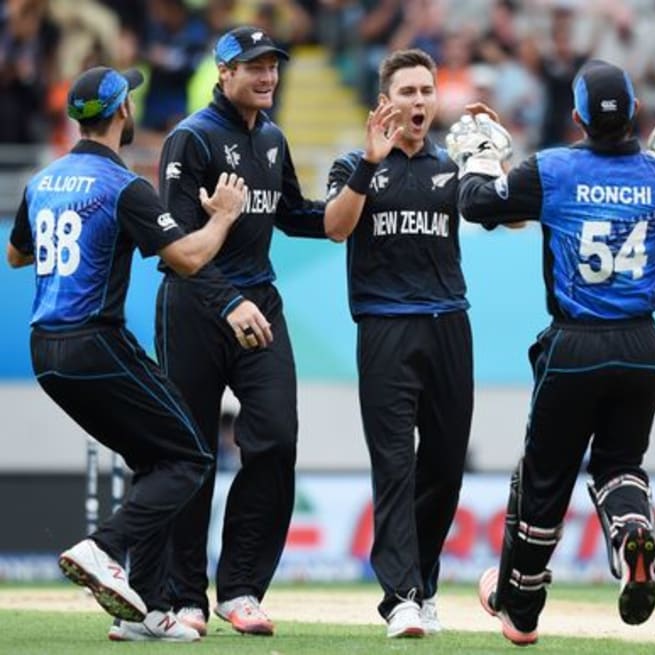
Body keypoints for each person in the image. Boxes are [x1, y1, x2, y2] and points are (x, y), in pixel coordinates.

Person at [454, 60, 655, 646]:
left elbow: (475, 204)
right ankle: (632, 537)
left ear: (575, 118)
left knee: (544, 478)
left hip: (576, 342)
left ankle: (521, 608)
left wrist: (477, 154)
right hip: (643, 346)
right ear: (636, 114)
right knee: (620, 466)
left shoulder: (552, 168)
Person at [6, 65, 245, 642]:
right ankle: (103, 548)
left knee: (154, 458)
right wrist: (224, 216)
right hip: (95, 341)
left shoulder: (42, 182)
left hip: (46, 352)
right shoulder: (122, 185)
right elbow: (188, 259)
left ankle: (150, 611)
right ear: (121, 113)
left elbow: (16, 256)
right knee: (190, 456)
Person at [155, 26, 328, 637]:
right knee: (190, 455)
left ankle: (241, 589)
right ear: (224, 72)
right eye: (253, 66)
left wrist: (364, 184)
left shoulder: (274, 139)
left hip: (260, 303)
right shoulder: (191, 138)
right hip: (196, 307)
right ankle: (183, 598)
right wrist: (227, 299)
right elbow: (174, 247)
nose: (268, 77)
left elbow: (299, 215)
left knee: (276, 441)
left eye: (273, 66)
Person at [323, 48, 475, 639]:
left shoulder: (453, 163)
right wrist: (368, 163)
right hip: (384, 325)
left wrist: (492, 157)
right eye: (406, 92)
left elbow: (508, 218)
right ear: (385, 101)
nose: (418, 102)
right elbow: (336, 228)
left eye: (426, 91)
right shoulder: (353, 163)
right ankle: (401, 598)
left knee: (444, 466)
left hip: (449, 324)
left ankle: (424, 585)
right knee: (394, 464)